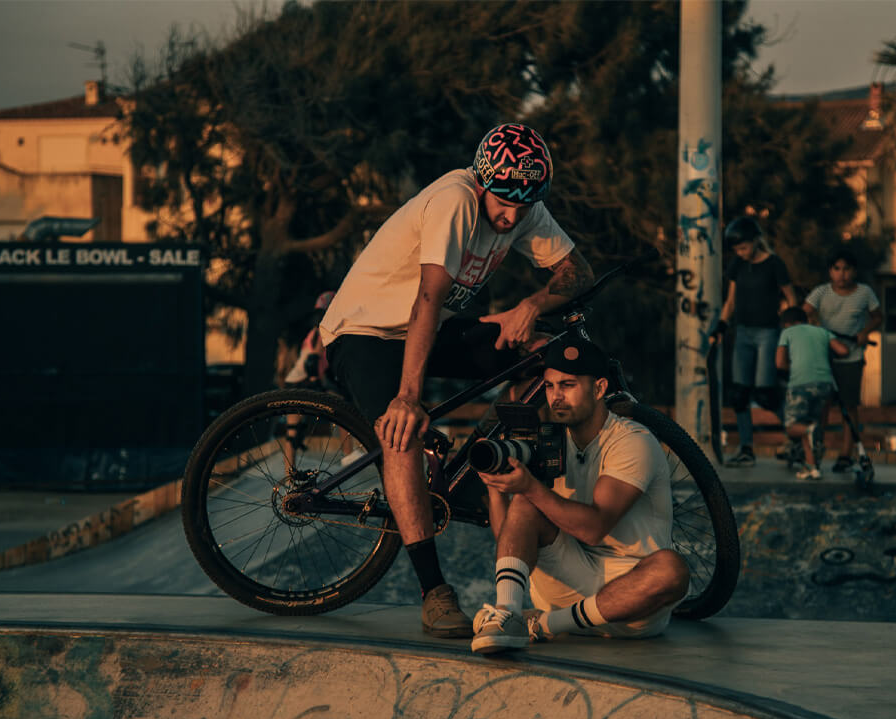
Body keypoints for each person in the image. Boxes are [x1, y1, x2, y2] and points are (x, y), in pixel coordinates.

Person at [319, 123, 594, 638]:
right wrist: (407, 397)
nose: (511, 216)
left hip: (430, 326)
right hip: (368, 329)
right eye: (503, 204)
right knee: (399, 433)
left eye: (523, 206)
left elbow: (577, 272)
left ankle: (477, 467)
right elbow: (427, 299)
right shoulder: (456, 200)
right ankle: (433, 593)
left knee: (538, 357)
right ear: (483, 182)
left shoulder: (524, 203)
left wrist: (532, 304)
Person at [470, 337, 690, 654]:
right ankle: (508, 613)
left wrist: (532, 487)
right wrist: (497, 489)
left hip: (631, 602)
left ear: (599, 389)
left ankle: (542, 625)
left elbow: (594, 527)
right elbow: (513, 538)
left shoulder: (631, 441)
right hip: (568, 581)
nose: (556, 397)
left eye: (568, 385)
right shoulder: (548, 442)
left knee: (672, 569)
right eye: (549, 386)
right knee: (525, 502)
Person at [713, 217, 798, 467]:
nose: (740, 253)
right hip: (743, 333)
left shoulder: (774, 264)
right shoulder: (738, 265)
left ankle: (796, 439)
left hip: (768, 333)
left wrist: (792, 329)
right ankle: (746, 449)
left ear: (755, 241)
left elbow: (791, 297)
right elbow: (730, 301)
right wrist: (721, 325)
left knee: (765, 394)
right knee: (739, 394)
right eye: (737, 250)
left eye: (743, 248)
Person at [802, 249, 883, 472]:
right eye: (837, 269)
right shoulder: (821, 292)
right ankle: (817, 449)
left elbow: (877, 316)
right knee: (822, 405)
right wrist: (815, 326)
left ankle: (846, 453)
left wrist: (865, 332)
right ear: (830, 271)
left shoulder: (864, 293)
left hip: (852, 356)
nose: (842, 274)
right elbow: (804, 311)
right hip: (825, 356)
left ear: (854, 271)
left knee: (849, 406)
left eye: (846, 269)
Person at [775, 306, 849, 479]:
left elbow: (779, 363)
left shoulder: (787, 332)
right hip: (825, 384)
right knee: (812, 427)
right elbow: (843, 351)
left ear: (787, 323)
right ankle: (812, 466)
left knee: (793, 427)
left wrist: (794, 368)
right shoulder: (822, 332)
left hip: (800, 383)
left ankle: (809, 434)